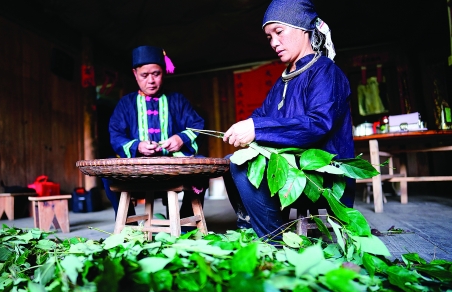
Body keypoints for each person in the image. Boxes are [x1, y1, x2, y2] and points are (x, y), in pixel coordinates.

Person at [222, 0, 355, 239]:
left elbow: (318, 123)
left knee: (241, 164)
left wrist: (257, 128)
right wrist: (246, 130)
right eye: (269, 37)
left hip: (323, 177)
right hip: (292, 171)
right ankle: (250, 226)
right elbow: (261, 117)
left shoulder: (325, 71)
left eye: (279, 32)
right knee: (231, 159)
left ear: (302, 28)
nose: (274, 42)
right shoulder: (282, 82)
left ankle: (272, 240)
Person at [103, 45, 206, 218]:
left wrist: (181, 139)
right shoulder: (125, 104)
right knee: (107, 173)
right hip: (137, 170)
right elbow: (116, 135)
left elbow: (198, 126)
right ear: (135, 74)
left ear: (163, 72)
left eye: (156, 74)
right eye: (144, 75)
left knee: (203, 167)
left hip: (173, 169)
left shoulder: (178, 100)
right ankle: (130, 226)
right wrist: (138, 146)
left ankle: (187, 222)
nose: (151, 80)